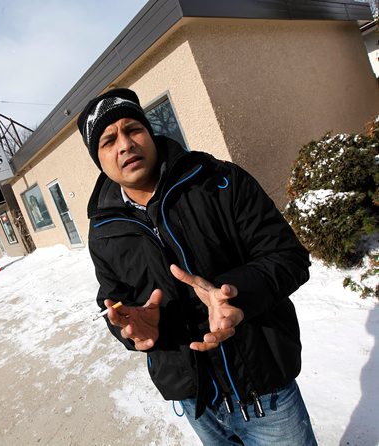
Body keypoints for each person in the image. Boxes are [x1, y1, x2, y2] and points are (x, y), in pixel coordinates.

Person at [77, 88, 317, 445]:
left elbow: (288, 256)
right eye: (108, 140)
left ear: (150, 133)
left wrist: (236, 294)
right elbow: (113, 301)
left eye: (133, 129)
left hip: (266, 390)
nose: (125, 145)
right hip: (195, 402)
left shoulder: (219, 181)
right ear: (100, 160)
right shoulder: (103, 230)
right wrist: (130, 328)